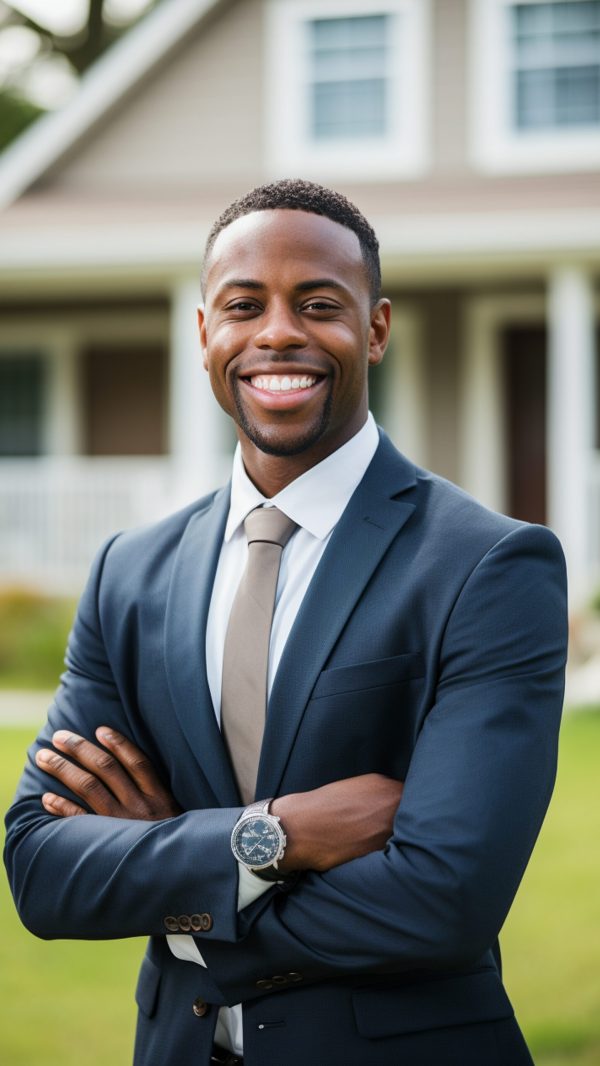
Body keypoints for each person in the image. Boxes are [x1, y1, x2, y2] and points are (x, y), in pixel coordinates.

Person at [5, 179, 567, 1066]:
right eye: (243, 305)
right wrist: (275, 836)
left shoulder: (487, 566)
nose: (278, 333)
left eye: (318, 304)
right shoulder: (131, 573)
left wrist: (173, 894)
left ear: (376, 329)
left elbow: (443, 900)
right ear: (203, 335)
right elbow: (40, 869)